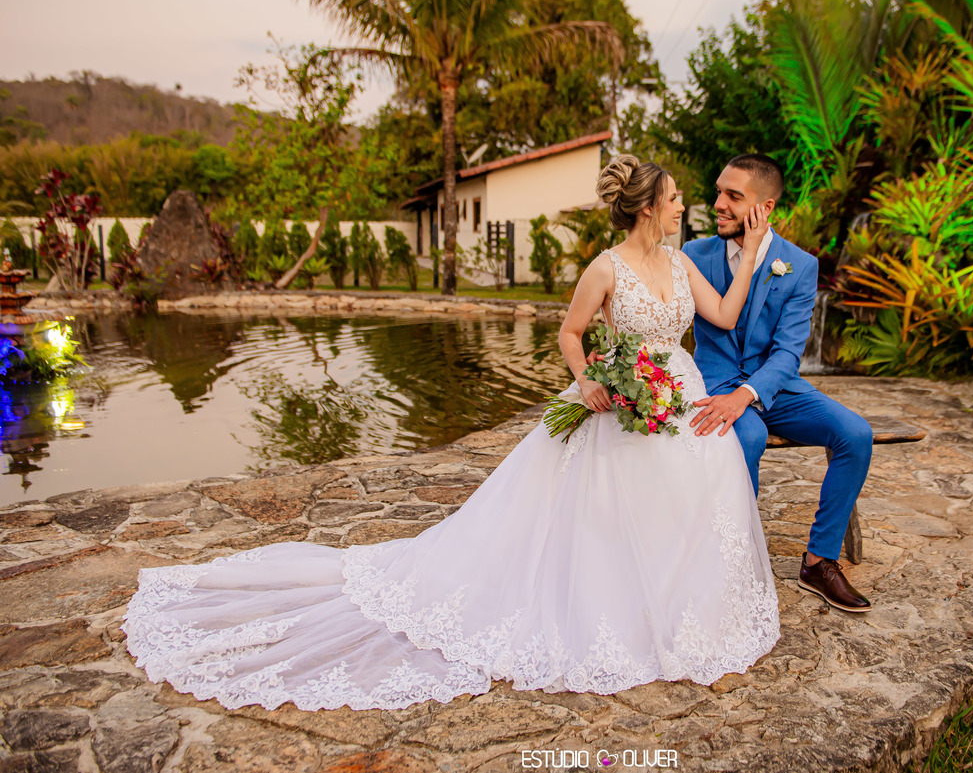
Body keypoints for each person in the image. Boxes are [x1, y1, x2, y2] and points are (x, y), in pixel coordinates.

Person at [121, 155, 781, 712]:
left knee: (691, 493)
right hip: (618, 403)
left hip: (678, 396)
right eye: (675, 198)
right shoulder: (606, 268)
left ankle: (677, 610)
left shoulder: (681, 263)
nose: (683, 206)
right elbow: (570, 332)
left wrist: (750, 253)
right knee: (604, 519)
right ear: (649, 207)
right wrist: (586, 380)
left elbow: (724, 313)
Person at [682, 154, 874, 614]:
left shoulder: (800, 265)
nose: (719, 204)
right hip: (714, 382)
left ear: (764, 207)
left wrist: (746, 395)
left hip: (776, 387)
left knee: (855, 433)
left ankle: (819, 561)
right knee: (745, 435)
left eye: (733, 196)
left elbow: (789, 352)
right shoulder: (694, 255)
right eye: (719, 191)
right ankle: (736, 562)